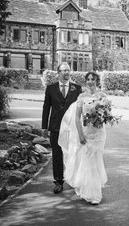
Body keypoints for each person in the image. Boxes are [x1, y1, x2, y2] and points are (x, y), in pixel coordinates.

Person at [58, 72, 108, 205]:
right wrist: (80, 134)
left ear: (97, 81)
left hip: (99, 133)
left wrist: (102, 117)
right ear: (86, 82)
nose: (91, 81)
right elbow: (77, 117)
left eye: (93, 79)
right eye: (88, 79)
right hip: (85, 133)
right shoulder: (81, 97)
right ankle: (91, 193)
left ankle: (94, 189)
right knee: (87, 161)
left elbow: (106, 114)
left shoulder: (102, 96)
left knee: (96, 160)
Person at [42, 62, 82, 194]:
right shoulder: (51, 88)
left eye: (68, 70)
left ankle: (75, 179)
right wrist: (44, 127)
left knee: (74, 153)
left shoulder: (77, 88)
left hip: (72, 128)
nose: (66, 73)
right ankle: (58, 182)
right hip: (55, 127)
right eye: (64, 70)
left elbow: (81, 109)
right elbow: (46, 108)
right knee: (57, 155)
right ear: (58, 73)